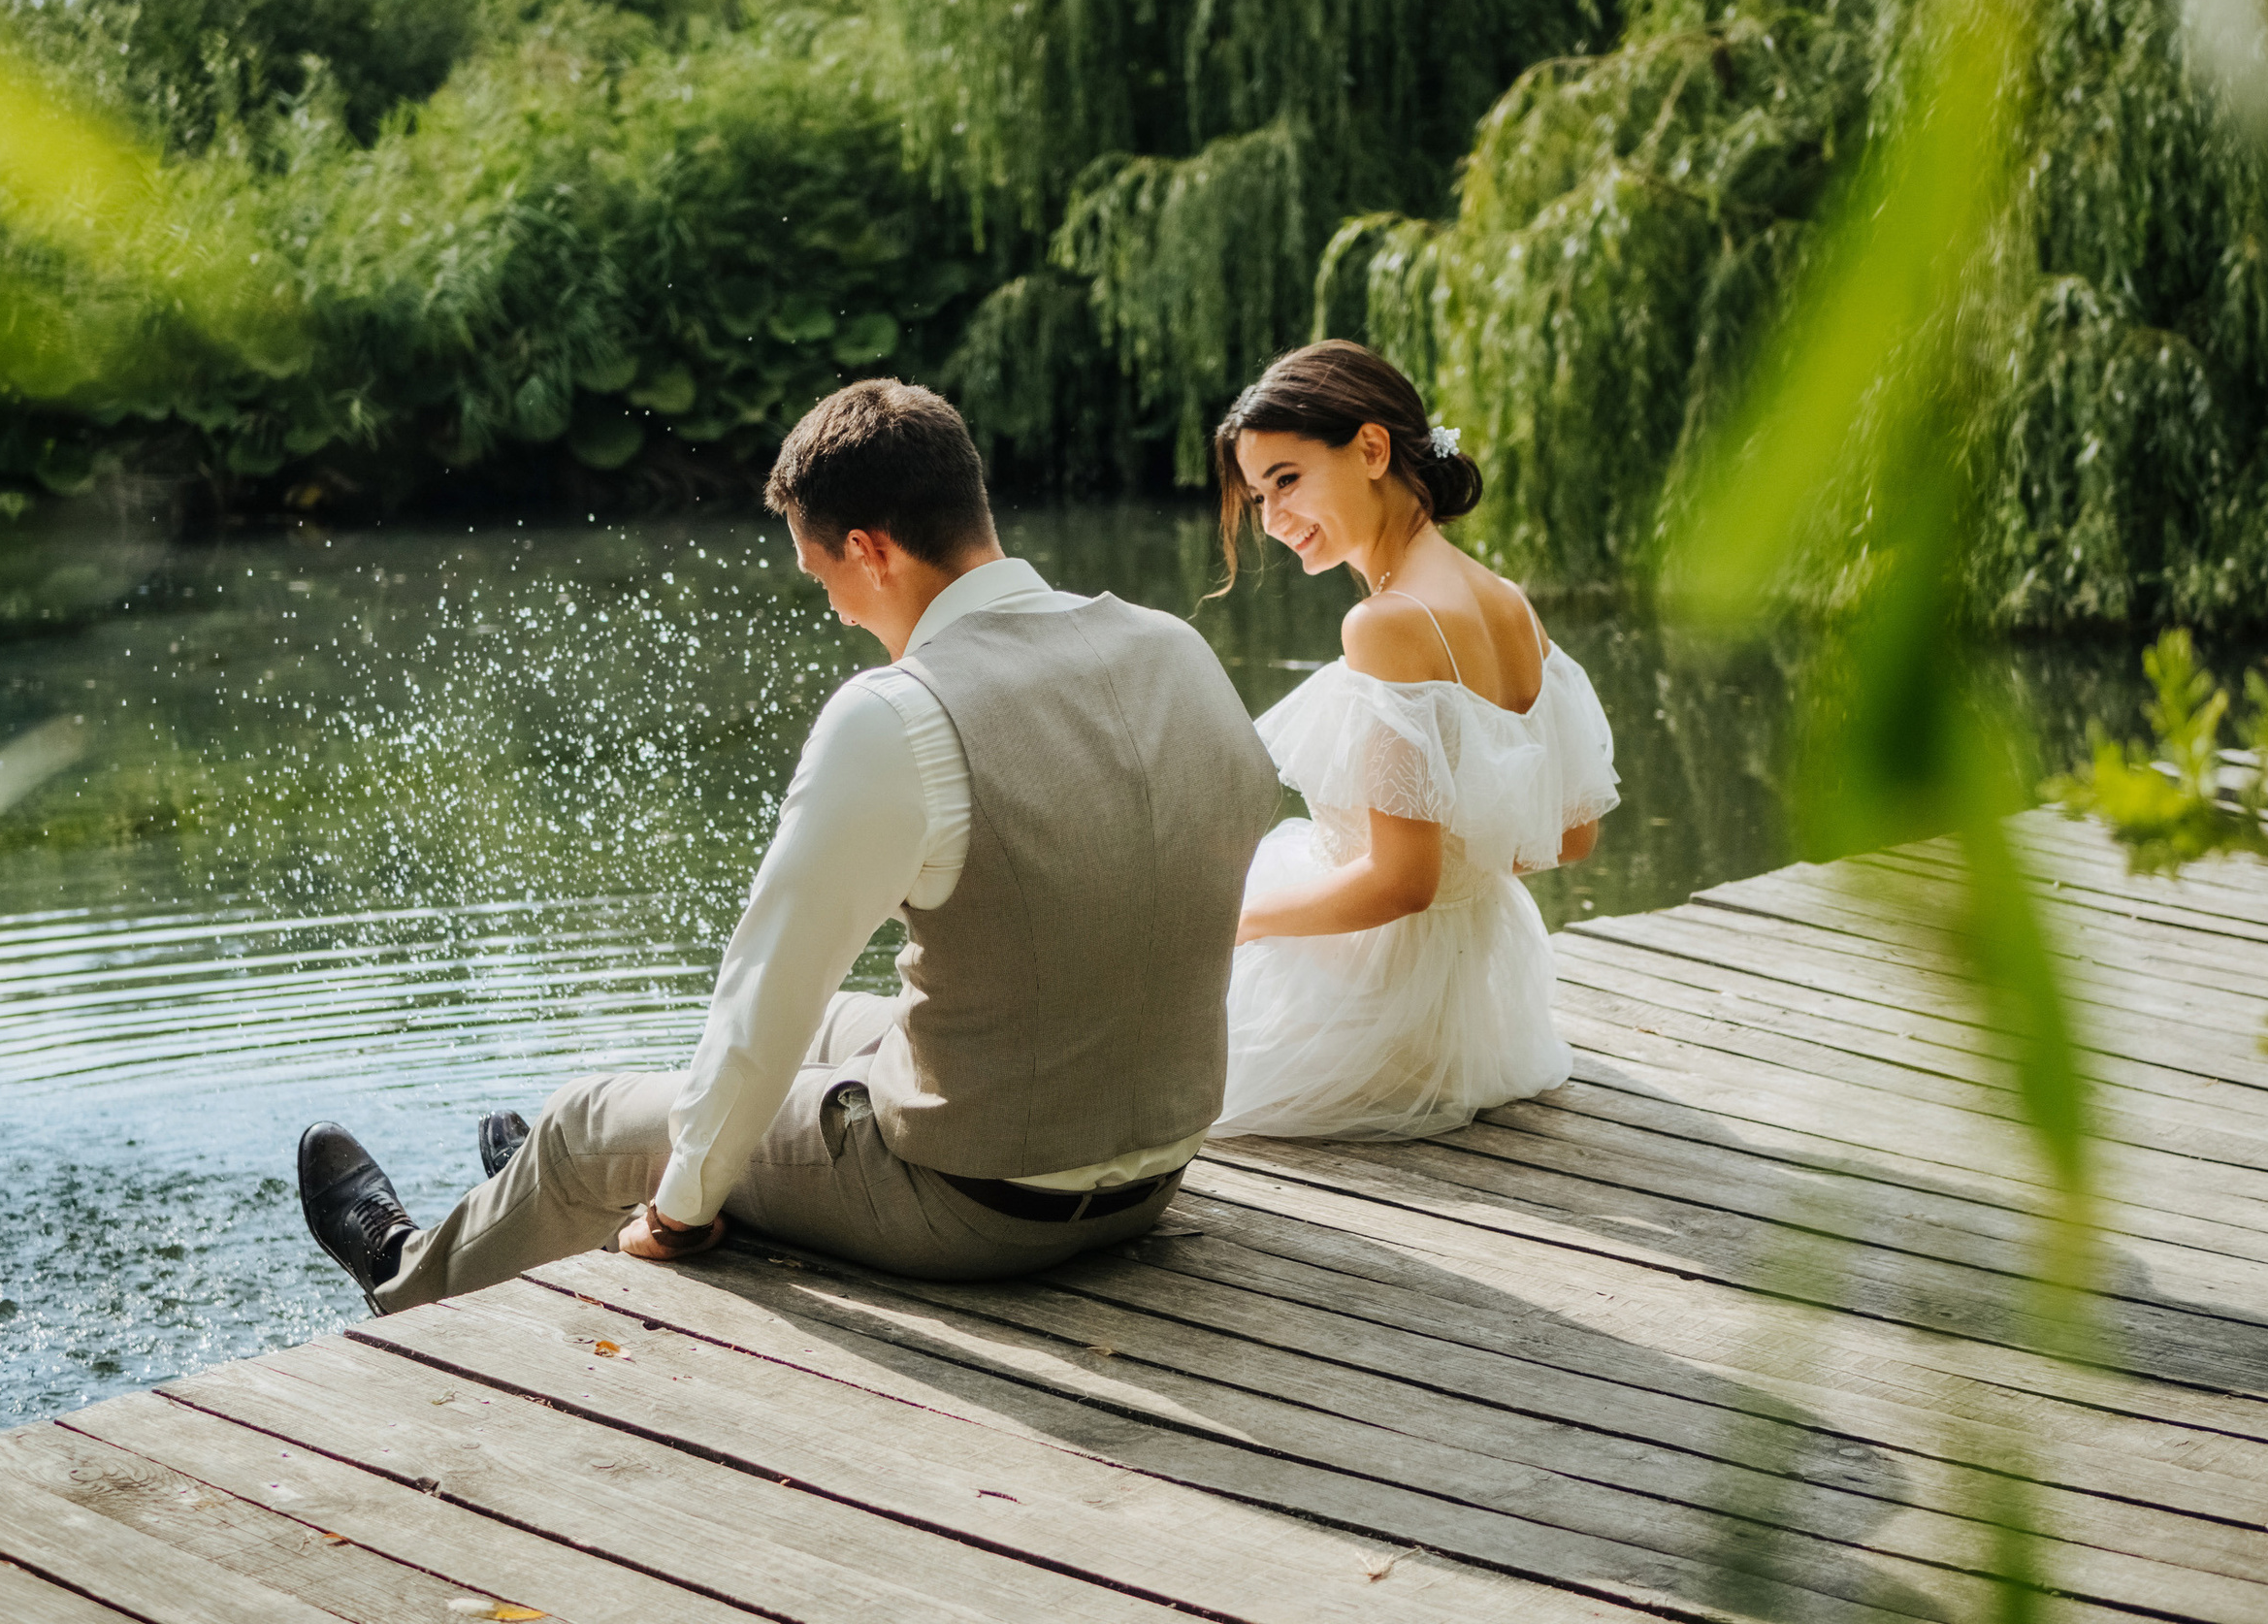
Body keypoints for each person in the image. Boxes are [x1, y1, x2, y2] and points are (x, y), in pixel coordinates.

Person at [299, 380, 1282, 1310]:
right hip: (1154, 1167)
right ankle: (556, 1198)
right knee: (825, 1030)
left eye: (821, 578)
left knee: (581, 1122)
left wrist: (682, 1213)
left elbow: (765, 987)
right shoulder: (1172, 647)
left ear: (871, 551)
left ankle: (408, 1272)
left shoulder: (899, 715)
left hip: (984, 1208)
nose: (834, 609)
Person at [1208, 341, 1619, 1140]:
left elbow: (1401, 884)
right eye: (1259, 496)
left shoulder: (1388, 624)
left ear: (1370, 448)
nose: (1274, 519)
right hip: (1482, 1010)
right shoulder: (1505, 600)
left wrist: (1238, 923)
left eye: (1287, 480)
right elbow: (1573, 833)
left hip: (1376, 1011)